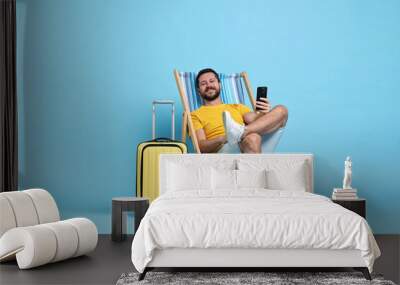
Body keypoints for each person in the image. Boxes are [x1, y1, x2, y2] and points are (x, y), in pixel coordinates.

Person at [191, 68, 288, 153]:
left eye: (212, 81)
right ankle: (239, 133)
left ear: (219, 84)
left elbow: (252, 120)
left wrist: (263, 113)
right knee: (252, 138)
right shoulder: (195, 115)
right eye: (203, 83)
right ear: (199, 90)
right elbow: (201, 146)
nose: (208, 85)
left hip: (252, 142)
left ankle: (240, 132)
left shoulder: (237, 107)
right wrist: (225, 138)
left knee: (282, 110)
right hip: (226, 149)